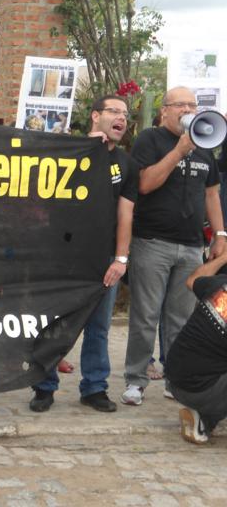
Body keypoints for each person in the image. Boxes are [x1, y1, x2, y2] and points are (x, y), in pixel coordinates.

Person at [29, 95, 138, 412]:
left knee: (98, 328)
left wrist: (121, 259)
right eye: (114, 111)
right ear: (95, 116)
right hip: (60, 255)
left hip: (102, 261)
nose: (121, 118)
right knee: (52, 323)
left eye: (125, 113)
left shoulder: (127, 164)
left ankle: (94, 388)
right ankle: (44, 386)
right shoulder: (68, 151)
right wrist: (86, 148)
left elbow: (125, 214)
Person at [122, 86, 226, 406]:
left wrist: (221, 235)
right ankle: (135, 380)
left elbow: (211, 194)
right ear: (164, 110)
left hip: (192, 246)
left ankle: (176, 379)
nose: (188, 110)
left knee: (180, 320)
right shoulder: (150, 140)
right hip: (153, 242)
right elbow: (144, 184)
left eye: (192, 105)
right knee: (145, 316)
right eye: (181, 104)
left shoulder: (204, 144)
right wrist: (179, 151)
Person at [165, 251, 227, 444]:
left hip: (175, 378)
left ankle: (202, 417)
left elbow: (192, 280)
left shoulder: (221, 285)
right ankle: (205, 417)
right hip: (199, 388)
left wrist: (223, 258)